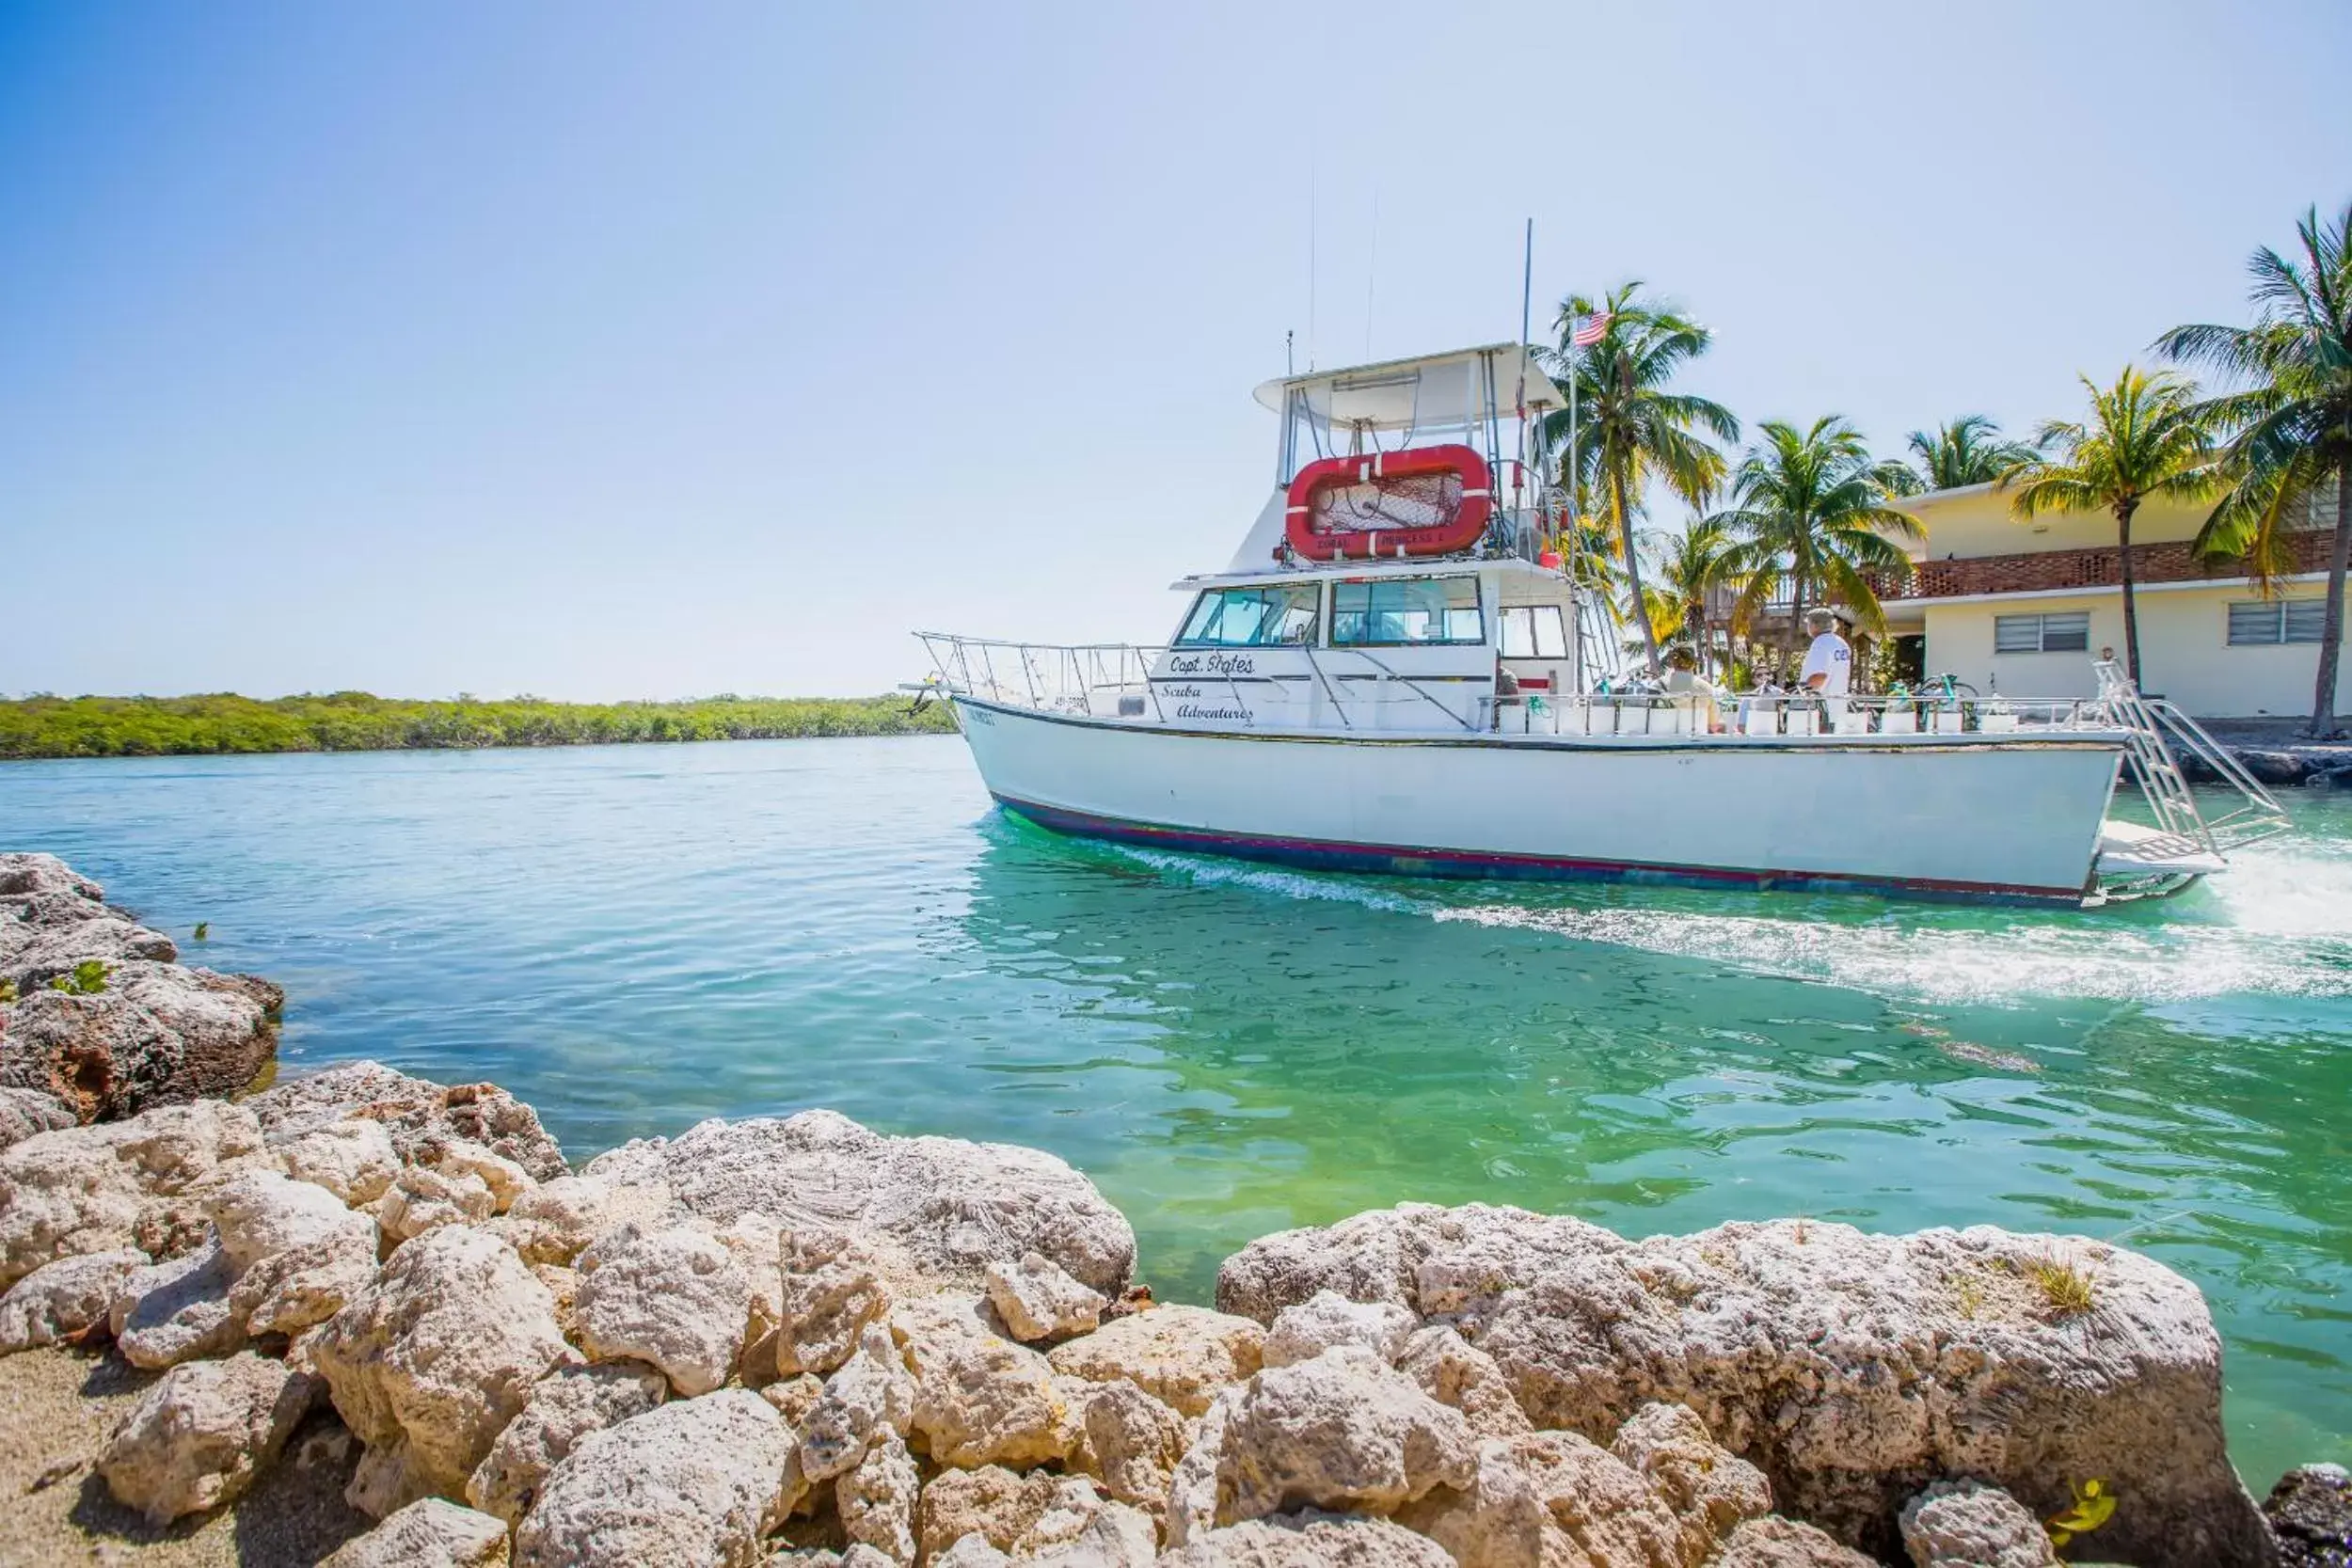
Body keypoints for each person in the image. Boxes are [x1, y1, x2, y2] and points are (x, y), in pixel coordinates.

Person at [1799, 608, 1851, 731]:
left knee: (1819, 748)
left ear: (1814, 625)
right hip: (1839, 708)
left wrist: (1801, 694)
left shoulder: (1821, 643)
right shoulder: (1841, 643)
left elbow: (1819, 676)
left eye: (1808, 624)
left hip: (1822, 712)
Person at [1663, 647, 1723, 733]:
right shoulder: (1706, 687)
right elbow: (1714, 725)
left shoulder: (1656, 685)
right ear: (1693, 664)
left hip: (1663, 741)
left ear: (1672, 662)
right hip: (1696, 740)